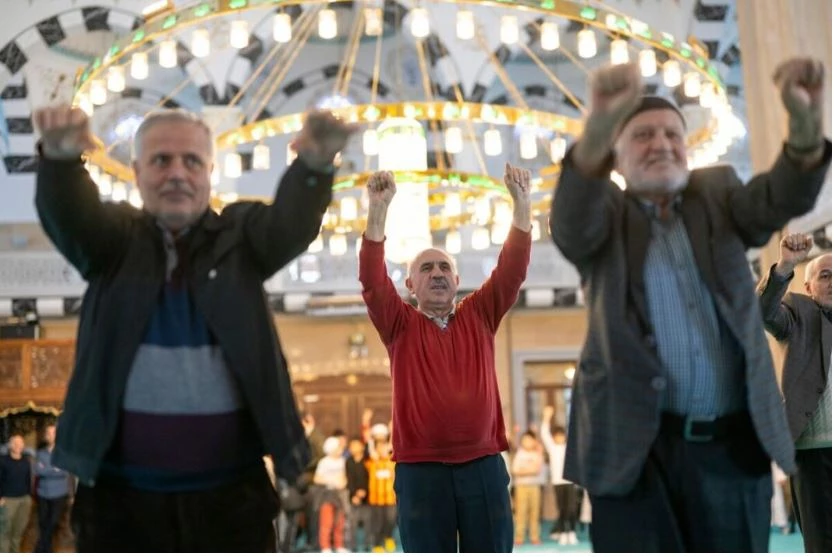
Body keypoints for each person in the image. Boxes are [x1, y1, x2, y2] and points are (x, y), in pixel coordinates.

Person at [32, 104, 356, 552]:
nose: (177, 173)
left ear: (209, 173)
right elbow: (71, 215)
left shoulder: (240, 239)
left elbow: (289, 225)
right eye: (161, 160)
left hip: (231, 503)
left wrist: (315, 167)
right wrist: (62, 164)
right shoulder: (112, 242)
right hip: (122, 504)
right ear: (137, 172)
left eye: (192, 161)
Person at [549, 57, 830, 552]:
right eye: (642, 135)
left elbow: (778, 197)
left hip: (731, 453)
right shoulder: (605, 218)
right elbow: (572, 218)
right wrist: (598, 125)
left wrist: (806, 122)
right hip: (633, 454)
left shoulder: (716, 196)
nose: (660, 143)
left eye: (671, 134)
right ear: (615, 156)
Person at [359, 164, 532, 552]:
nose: (437, 273)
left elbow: (513, 269)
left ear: (456, 281)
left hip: (484, 465)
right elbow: (372, 280)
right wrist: (378, 210)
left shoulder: (480, 313)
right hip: (420, 470)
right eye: (426, 268)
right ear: (410, 285)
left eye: (444, 268)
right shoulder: (399, 324)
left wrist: (521, 204)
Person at [757, 233, 831, 553]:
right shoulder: (799, 314)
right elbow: (763, 310)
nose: (833, 282)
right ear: (808, 287)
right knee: (823, 543)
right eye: (825, 275)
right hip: (814, 454)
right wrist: (786, 264)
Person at [540, 406, 578, 545]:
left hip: (570, 481)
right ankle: (562, 532)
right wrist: (546, 417)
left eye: (561, 436)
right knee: (562, 509)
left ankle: (572, 532)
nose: (559, 438)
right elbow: (544, 433)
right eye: (557, 436)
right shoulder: (552, 447)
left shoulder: (570, 447)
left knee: (572, 509)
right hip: (557, 482)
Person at [34, 424, 73, 552]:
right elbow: (39, 471)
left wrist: (47, 468)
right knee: (43, 523)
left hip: (59, 494)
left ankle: (40, 549)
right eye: (48, 433)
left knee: (53, 523)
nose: (50, 435)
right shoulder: (40, 453)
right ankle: (47, 550)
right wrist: (55, 469)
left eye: (53, 432)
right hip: (43, 493)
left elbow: (65, 472)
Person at [314, 437, 348, 553]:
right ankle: (325, 546)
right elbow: (317, 479)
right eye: (338, 446)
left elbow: (345, 477)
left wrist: (343, 482)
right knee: (326, 522)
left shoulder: (343, 461)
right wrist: (332, 481)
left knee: (340, 522)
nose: (340, 448)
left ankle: (339, 545)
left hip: (340, 495)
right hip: (326, 495)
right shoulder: (324, 462)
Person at [0, 434, 33, 553]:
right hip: (8, 501)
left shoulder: (26, 461)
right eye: (15, 443)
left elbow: (28, 479)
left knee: (18, 532)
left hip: (24, 500)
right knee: (4, 532)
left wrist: (29, 496)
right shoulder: (3, 460)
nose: (18, 445)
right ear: (10, 445)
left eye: (20, 443)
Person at [511, 431, 544, 545]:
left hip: (534, 486)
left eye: (529, 440)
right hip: (521, 487)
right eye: (524, 440)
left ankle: (534, 536)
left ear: (534, 441)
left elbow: (537, 470)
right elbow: (515, 470)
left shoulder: (537, 454)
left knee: (535, 512)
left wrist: (524, 471)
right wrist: (529, 471)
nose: (527, 442)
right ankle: (519, 536)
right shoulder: (520, 453)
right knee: (521, 512)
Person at [346, 436, 371, 552]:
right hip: (353, 497)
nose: (354, 448)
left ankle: (367, 546)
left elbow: (371, 478)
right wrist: (354, 494)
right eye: (351, 446)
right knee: (352, 523)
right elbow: (349, 480)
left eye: (356, 445)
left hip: (368, 498)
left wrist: (364, 491)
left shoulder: (368, 460)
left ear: (362, 446)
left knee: (368, 523)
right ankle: (353, 547)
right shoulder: (348, 461)